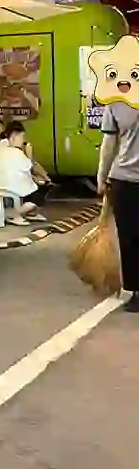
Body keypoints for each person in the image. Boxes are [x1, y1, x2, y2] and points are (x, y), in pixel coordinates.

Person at [97, 101, 139, 312]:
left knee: (129, 238)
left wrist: (101, 176)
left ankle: (136, 292)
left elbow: (109, 143)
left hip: (125, 179)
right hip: (125, 180)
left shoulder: (116, 101)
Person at [0, 121, 48, 225]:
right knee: (40, 194)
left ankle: (29, 213)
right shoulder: (15, 152)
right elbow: (30, 167)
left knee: (34, 185)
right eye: (22, 137)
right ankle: (13, 214)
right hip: (11, 187)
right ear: (14, 136)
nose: (23, 140)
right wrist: (29, 154)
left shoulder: (0, 146)